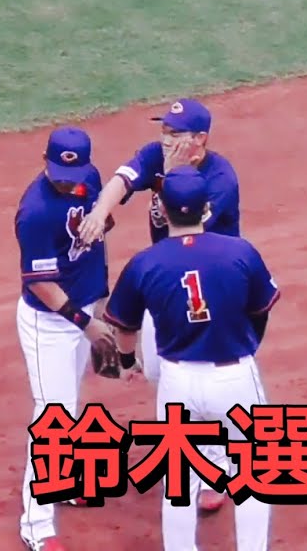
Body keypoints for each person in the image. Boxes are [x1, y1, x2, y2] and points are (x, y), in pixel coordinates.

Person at [101, 166, 280, 551]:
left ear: (163, 212)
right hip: (233, 376)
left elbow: (125, 328)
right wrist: (248, 344)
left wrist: (128, 362)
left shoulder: (145, 263)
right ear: (206, 209)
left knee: (180, 482)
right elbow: (260, 310)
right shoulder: (240, 252)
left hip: (177, 382)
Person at [77, 96, 241, 512]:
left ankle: (216, 460)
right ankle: (194, 442)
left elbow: (182, 232)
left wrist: (169, 176)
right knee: (154, 368)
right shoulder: (157, 155)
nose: (165, 139)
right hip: (170, 281)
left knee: (199, 370)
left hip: (212, 287)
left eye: (175, 133)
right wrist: (98, 212)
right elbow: (121, 180)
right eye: (164, 131)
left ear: (199, 139)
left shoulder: (220, 179)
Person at [13, 126, 115, 551]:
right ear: (45, 162)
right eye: (59, 175)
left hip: (83, 308)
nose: (67, 183)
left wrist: (102, 302)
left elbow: (100, 232)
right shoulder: (35, 211)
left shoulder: (89, 179)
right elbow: (40, 284)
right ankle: (36, 525)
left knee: (68, 405)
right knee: (53, 415)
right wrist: (85, 323)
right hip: (50, 323)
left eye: (72, 176)